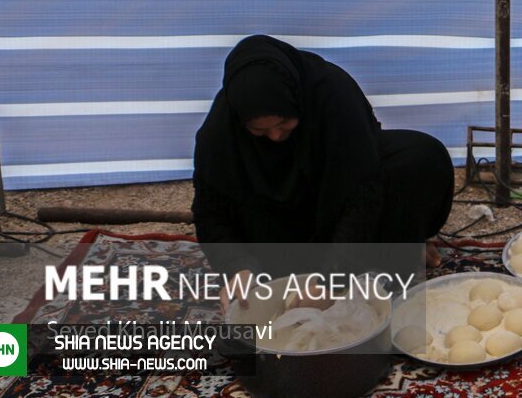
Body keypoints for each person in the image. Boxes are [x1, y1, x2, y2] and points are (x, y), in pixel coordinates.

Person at [192, 35, 454, 308]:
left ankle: (394, 250)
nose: (275, 137)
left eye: (284, 123)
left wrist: (333, 279)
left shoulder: (332, 93)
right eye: (259, 131)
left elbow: (362, 191)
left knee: (420, 157)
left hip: (338, 211)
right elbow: (210, 213)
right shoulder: (219, 132)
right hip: (278, 235)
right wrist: (237, 267)